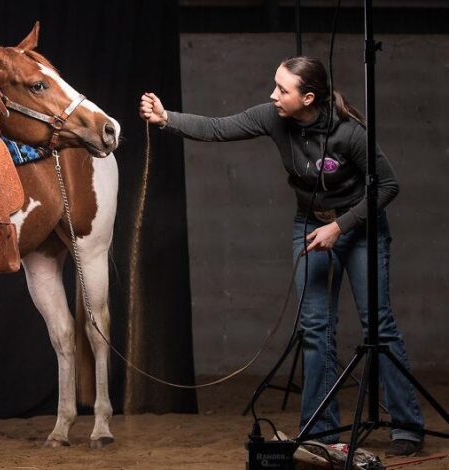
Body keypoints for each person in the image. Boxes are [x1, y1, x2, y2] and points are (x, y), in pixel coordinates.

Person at [140, 56, 424, 456]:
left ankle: (407, 425)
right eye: (275, 86)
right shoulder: (273, 117)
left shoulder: (350, 133)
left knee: (377, 325)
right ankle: (322, 432)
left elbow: (388, 186)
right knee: (315, 328)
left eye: (282, 89)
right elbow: (220, 128)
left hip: (359, 229)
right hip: (310, 226)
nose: (273, 95)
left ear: (308, 97)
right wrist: (166, 117)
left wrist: (340, 226)